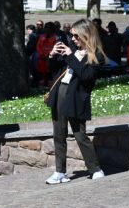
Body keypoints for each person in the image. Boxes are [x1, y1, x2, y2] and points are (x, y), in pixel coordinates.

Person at [45, 19, 106, 184]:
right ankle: (60, 172)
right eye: (72, 36)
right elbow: (55, 71)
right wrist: (52, 55)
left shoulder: (96, 55)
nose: (72, 39)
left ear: (86, 35)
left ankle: (95, 169)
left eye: (76, 36)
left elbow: (86, 76)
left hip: (76, 98)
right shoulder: (72, 50)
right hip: (60, 94)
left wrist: (70, 56)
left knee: (80, 135)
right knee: (58, 135)